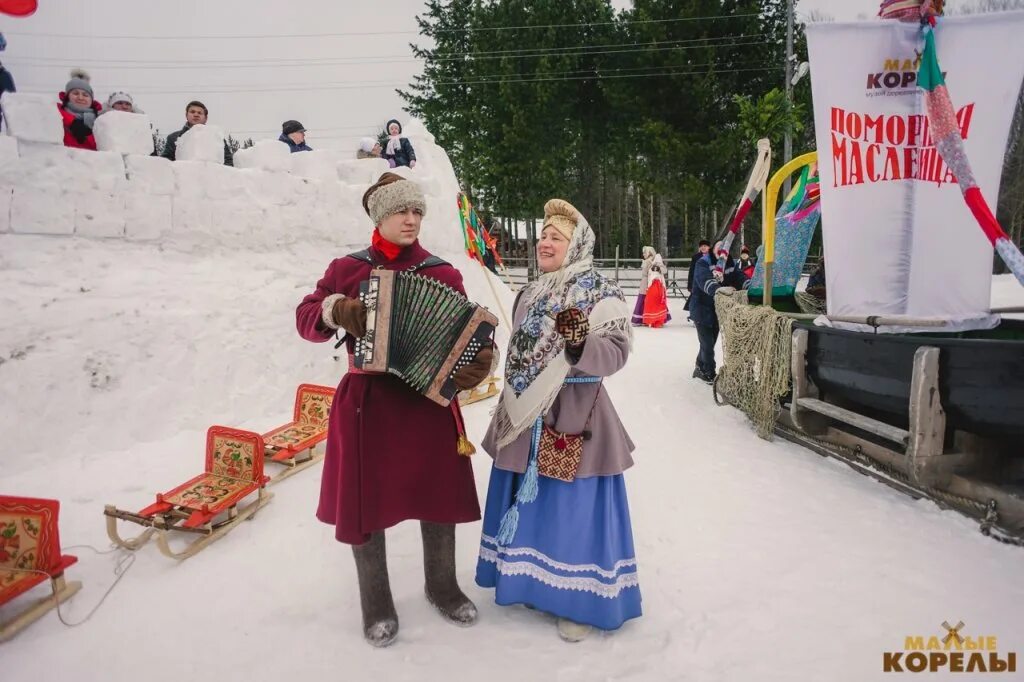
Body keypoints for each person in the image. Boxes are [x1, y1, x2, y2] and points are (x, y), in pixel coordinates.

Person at [295, 172, 492, 648]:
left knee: (438, 494)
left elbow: (463, 338)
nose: (411, 219)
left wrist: (478, 363)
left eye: (418, 211)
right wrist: (334, 309)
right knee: (365, 501)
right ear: (379, 216)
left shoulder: (442, 272)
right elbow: (305, 319)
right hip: (368, 402)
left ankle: (441, 586)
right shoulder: (346, 268)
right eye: (402, 211)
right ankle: (376, 600)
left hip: (426, 403)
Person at [475, 198, 641, 643]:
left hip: (576, 415)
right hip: (526, 412)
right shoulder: (529, 292)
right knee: (528, 504)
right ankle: (527, 583)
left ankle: (578, 600)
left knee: (573, 510)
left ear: (577, 245)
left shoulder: (602, 293)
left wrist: (580, 343)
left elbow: (617, 354)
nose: (544, 243)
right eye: (543, 236)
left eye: (556, 238)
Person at [690, 240, 749, 383]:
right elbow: (703, 280)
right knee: (707, 343)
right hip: (701, 307)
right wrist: (717, 289)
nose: (722, 250)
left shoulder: (730, 264)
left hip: (717, 309)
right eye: (719, 247)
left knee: (709, 341)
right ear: (713, 249)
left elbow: (739, 277)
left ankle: (699, 366)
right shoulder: (703, 262)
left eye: (725, 248)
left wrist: (749, 285)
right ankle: (709, 372)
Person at [161, 100, 233, 166]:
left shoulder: (216, 137)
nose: (196, 114)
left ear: (205, 118)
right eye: (192, 112)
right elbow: (166, 163)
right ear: (186, 115)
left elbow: (228, 162)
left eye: (200, 113)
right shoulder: (173, 138)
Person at [57, 69, 101, 150]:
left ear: (91, 100)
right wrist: (72, 122)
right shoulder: (57, 114)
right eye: (75, 93)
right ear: (67, 97)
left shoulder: (101, 120)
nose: (80, 98)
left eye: (85, 95)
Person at [641, 253, 670, 328]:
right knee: (655, 303)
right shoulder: (652, 266)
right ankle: (654, 320)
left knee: (655, 303)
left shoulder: (658, 267)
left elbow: (663, 271)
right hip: (655, 287)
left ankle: (655, 320)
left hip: (655, 287)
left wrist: (659, 269)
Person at [684, 239, 711, 313]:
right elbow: (691, 271)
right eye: (701, 246)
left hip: (708, 281)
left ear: (709, 247)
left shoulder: (712, 256)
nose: (703, 248)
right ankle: (695, 316)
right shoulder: (695, 257)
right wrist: (690, 285)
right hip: (697, 281)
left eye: (705, 246)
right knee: (696, 299)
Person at [631, 246, 656, 325]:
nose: (643, 254)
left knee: (642, 299)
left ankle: (639, 319)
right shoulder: (651, 260)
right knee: (646, 300)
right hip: (647, 281)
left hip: (646, 282)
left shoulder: (648, 261)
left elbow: (646, 272)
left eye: (645, 252)